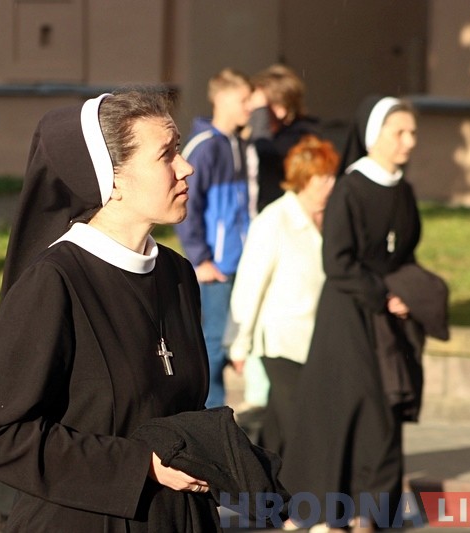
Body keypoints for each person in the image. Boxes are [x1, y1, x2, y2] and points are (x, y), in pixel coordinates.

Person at [0, 90, 227, 531]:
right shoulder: (54, 282)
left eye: (179, 149)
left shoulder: (177, 273)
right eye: (166, 154)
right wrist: (140, 464)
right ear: (113, 178)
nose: (186, 167)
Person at [281, 96, 426, 533]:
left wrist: (410, 293)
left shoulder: (403, 189)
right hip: (347, 320)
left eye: (412, 132)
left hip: (386, 319)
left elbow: (406, 252)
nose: (409, 141)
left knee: (384, 417)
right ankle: (330, 514)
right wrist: (383, 295)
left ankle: (373, 517)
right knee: (352, 415)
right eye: (399, 132)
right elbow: (338, 262)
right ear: (373, 135)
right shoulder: (350, 187)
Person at [225, 135, 338, 455]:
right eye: (321, 177)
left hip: (319, 341)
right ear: (303, 179)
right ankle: (305, 496)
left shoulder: (332, 220)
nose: (328, 184)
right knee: (302, 425)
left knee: (278, 426)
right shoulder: (273, 221)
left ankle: (266, 489)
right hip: (282, 343)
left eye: (331, 175)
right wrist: (238, 343)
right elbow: (250, 285)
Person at [174, 68, 253, 408]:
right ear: (221, 99)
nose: (250, 106)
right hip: (216, 266)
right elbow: (186, 203)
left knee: (226, 340)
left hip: (238, 260)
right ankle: (211, 418)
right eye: (243, 100)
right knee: (213, 343)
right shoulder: (204, 146)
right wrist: (201, 258)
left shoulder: (236, 143)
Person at [251, 64, 321, 213]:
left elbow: (263, 151)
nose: (250, 110)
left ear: (280, 108)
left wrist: (259, 114)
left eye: (261, 108)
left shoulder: (300, 138)